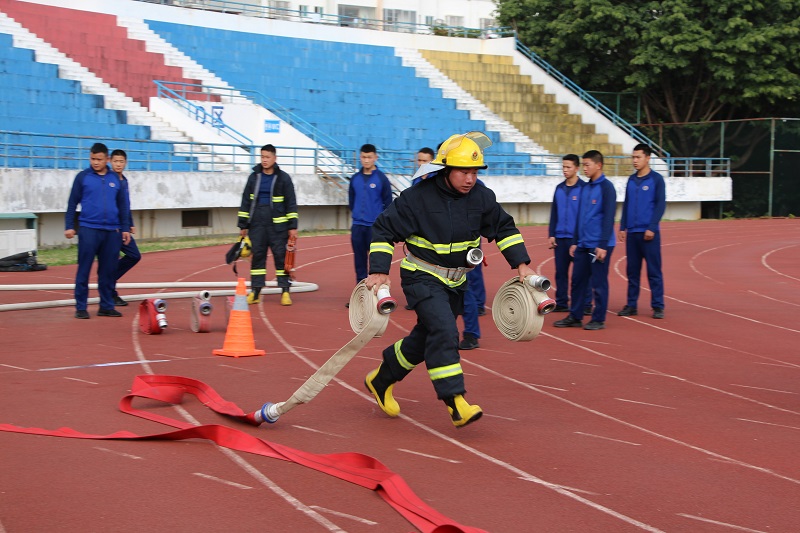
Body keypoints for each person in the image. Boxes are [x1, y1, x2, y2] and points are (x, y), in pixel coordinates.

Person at [363, 132, 536, 428]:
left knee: (425, 337)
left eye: (474, 172)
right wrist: (379, 270)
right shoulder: (417, 198)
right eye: (464, 172)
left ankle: (380, 379)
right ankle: (456, 402)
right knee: (444, 331)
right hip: (421, 277)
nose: (470, 179)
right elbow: (382, 230)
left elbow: (504, 228)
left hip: (457, 282)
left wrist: (522, 265)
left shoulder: (482, 197)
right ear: (446, 169)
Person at [64, 142, 131, 319]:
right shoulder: (83, 177)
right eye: (93, 158)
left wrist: (125, 228)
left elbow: (123, 205)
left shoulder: (116, 179)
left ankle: (106, 305)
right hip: (88, 230)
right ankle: (81, 307)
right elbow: (72, 203)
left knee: (108, 271)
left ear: (107, 159)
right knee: (84, 269)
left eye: (99, 159)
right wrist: (69, 225)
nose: (95, 162)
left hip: (111, 232)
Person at [554, 150, 616, 330]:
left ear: (599, 165)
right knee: (578, 281)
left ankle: (598, 318)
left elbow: (608, 217)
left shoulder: (606, 188)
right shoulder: (585, 188)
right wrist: (575, 241)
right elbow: (580, 217)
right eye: (584, 165)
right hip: (582, 243)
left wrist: (603, 245)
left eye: (588, 165)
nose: (585, 168)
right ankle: (575, 315)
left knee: (598, 283)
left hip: (599, 245)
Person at [237, 144, 298, 306]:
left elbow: (291, 204)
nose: (264, 160)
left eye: (267, 157)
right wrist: (242, 225)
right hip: (257, 225)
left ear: (275, 158)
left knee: (281, 259)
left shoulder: (284, 178)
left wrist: (293, 227)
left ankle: (285, 291)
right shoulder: (254, 177)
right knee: (257, 259)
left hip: (278, 228)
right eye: (262, 157)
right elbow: (245, 201)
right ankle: (256, 291)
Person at [618, 144, 666, 319]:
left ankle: (658, 306)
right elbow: (627, 204)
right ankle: (631, 305)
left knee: (654, 271)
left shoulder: (656, 180)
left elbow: (660, 205)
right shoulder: (631, 180)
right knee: (632, 271)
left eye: (638, 157)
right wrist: (622, 227)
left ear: (647, 158)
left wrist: (652, 227)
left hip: (649, 234)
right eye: (633, 157)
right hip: (633, 233)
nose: (635, 161)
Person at [548, 154, 591, 314]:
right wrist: (551, 234)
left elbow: (586, 215)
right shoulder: (559, 188)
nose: (565, 170)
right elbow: (554, 213)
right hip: (560, 238)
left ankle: (586, 304)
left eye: (568, 167)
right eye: (563, 167)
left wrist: (580, 238)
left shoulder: (584, 189)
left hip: (578, 239)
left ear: (577, 168)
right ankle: (561, 302)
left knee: (581, 274)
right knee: (560, 273)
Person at [348, 143, 392, 292]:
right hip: (358, 226)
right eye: (363, 157)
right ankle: (360, 295)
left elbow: (388, 202)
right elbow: (351, 201)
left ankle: (377, 292)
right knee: (359, 262)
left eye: (369, 157)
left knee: (376, 262)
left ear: (375, 158)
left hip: (374, 228)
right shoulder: (355, 179)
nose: (366, 160)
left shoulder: (381, 179)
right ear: (360, 157)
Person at [109, 149, 141, 307]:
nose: (118, 164)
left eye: (121, 161)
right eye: (115, 161)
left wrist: (130, 223)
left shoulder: (124, 180)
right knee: (111, 259)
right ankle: (111, 293)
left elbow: (125, 204)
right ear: (110, 161)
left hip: (123, 228)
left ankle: (108, 278)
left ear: (125, 163)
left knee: (134, 255)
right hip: (111, 228)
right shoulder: (108, 179)